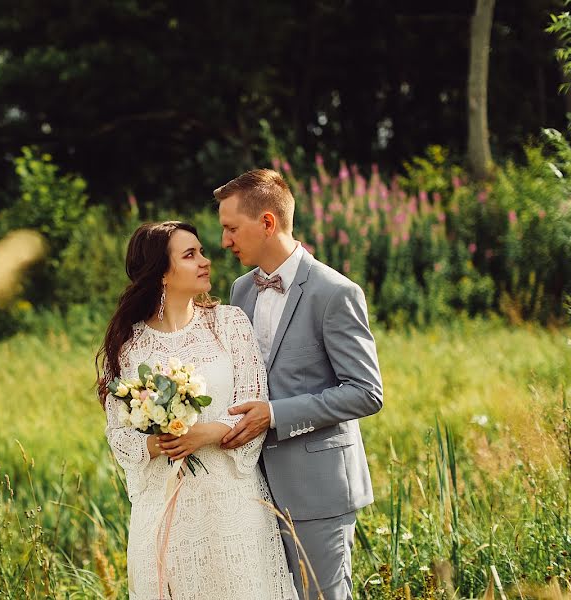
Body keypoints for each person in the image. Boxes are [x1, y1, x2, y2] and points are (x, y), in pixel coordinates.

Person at [98, 221, 297, 599]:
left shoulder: (229, 324)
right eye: (190, 255)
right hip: (164, 505)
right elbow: (119, 435)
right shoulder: (129, 345)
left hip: (231, 504)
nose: (205, 261)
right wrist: (159, 443)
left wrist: (207, 433)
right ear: (161, 274)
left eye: (202, 252)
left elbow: (252, 407)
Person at [215, 169, 384, 600]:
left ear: (267, 223)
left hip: (319, 488)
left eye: (231, 228)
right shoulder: (241, 291)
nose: (225, 241)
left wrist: (276, 414)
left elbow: (366, 391)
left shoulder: (335, 292)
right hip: (252, 487)